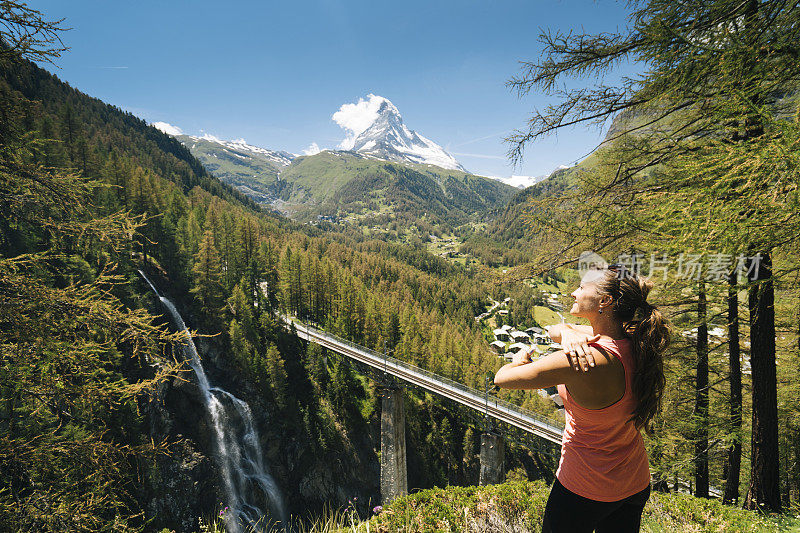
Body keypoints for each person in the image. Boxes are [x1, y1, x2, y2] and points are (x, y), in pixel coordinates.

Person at [494, 265, 672, 533]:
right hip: (633, 481)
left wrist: (518, 360)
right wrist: (567, 332)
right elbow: (558, 329)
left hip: (584, 486)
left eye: (582, 287)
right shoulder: (637, 341)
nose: (574, 291)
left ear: (605, 301)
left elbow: (502, 378)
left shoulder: (578, 361)